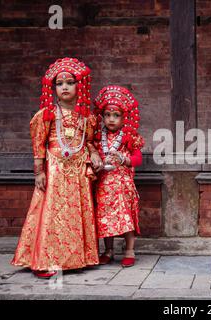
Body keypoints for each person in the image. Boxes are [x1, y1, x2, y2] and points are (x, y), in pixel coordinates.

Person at [11, 58, 103, 278]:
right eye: (59, 83)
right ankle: (45, 262)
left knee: (75, 214)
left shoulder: (88, 117)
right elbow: (38, 144)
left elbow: (89, 141)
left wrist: (94, 153)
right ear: (53, 89)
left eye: (70, 82)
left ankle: (75, 259)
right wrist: (39, 172)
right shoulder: (47, 114)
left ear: (79, 86)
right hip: (55, 169)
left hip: (78, 170)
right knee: (52, 214)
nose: (64, 87)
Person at [93, 85, 144, 267]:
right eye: (107, 115)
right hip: (104, 185)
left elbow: (138, 159)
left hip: (123, 185)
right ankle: (108, 250)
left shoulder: (130, 136)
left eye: (116, 115)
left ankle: (129, 250)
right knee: (105, 218)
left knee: (125, 217)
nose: (111, 119)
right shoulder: (99, 137)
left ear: (124, 117)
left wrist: (124, 158)